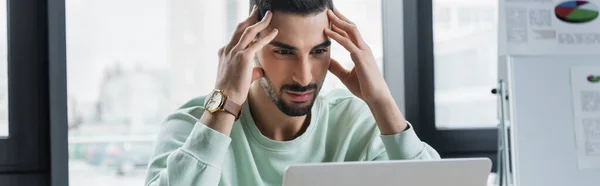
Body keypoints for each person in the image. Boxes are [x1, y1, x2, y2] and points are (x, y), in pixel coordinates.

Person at [145, 0, 440, 185]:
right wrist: (224, 104)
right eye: (284, 52)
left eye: (318, 51)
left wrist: (381, 101)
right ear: (250, 49)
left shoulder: (355, 123)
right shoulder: (191, 125)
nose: (304, 76)